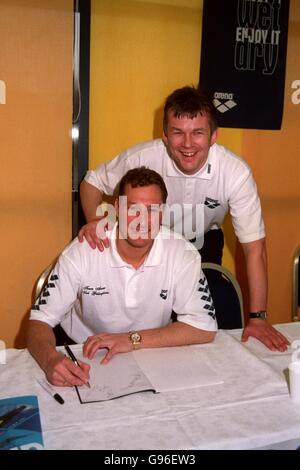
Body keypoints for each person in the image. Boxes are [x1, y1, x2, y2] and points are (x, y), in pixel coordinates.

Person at [79, 85, 289, 352]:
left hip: (202, 243)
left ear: (214, 135)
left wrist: (258, 317)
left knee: (200, 333)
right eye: (178, 132)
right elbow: (91, 184)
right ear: (165, 135)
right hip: (150, 240)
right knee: (141, 331)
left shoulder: (235, 172)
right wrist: (95, 220)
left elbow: (254, 248)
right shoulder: (142, 157)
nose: (187, 144)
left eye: (197, 133)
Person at [27, 167, 217, 387]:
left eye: (152, 209)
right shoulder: (82, 251)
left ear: (163, 212)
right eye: (133, 208)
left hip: (152, 352)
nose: (142, 220)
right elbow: (38, 322)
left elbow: (203, 327)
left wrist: (131, 340)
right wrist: (51, 360)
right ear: (117, 207)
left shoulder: (182, 253)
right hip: (85, 356)